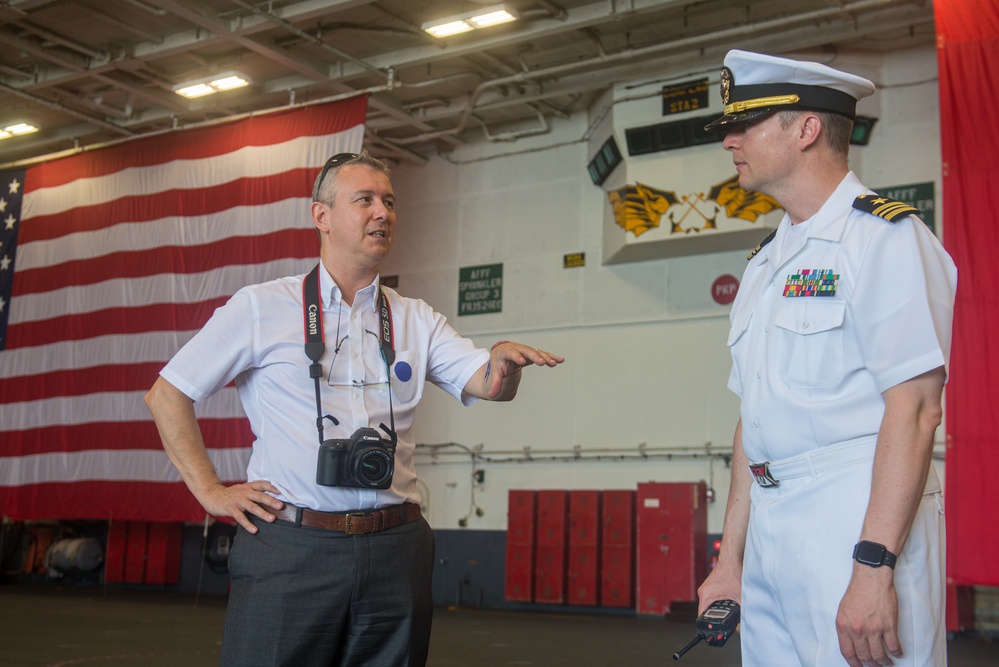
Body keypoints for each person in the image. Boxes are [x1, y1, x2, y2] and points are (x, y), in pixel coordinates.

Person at [144, 151, 564, 667]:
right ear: (320, 216)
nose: (381, 212)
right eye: (363, 200)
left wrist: (504, 364)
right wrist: (209, 490)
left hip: (396, 550)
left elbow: (490, 384)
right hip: (291, 550)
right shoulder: (261, 308)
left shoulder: (416, 319)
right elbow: (168, 394)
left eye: (388, 201)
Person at [696, 50, 957, 667]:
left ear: (806, 129)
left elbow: (916, 409)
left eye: (746, 124)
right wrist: (730, 560)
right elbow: (752, 422)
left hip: (855, 518)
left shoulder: (885, 239)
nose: (729, 139)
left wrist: (873, 567)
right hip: (770, 523)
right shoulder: (765, 263)